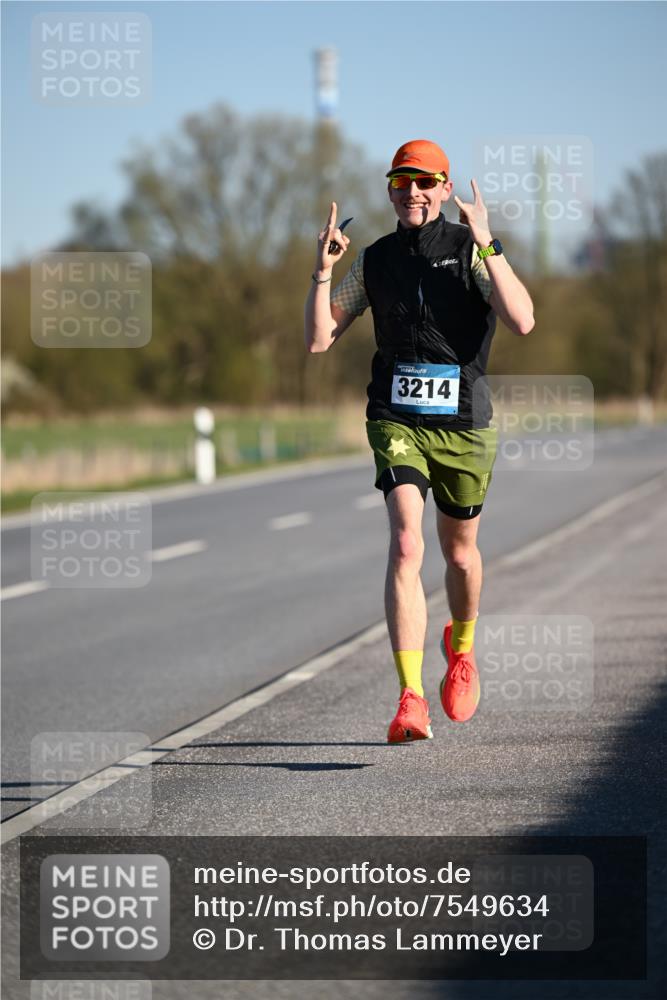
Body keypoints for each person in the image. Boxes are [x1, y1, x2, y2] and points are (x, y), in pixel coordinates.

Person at [304, 139, 534, 743]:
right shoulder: (376, 261)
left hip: (464, 422)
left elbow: (523, 318)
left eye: (426, 182)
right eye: (402, 182)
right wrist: (324, 268)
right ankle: (409, 698)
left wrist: (487, 239)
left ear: (445, 188)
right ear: (389, 189)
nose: (413, 192)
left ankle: (460, 647)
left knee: (459, 554)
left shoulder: (468, 250)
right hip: (396, 418)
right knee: (407, 544)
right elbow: (321, 338)